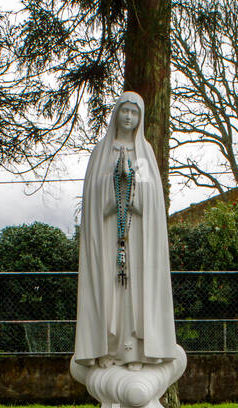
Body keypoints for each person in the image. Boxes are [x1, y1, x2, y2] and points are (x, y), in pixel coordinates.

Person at [73, 91, 177, 371]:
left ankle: (134, 353)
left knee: (134, 293)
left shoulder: (144, 154)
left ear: (140, 118)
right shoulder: (102, 152)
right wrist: (113, 181)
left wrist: (132, 181)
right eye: (125, 111)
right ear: (116, 114)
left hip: (137, 241)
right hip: (108, 238)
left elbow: (151, 201)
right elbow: (94, 199)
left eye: (134, 112)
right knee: (109, 292)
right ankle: (105, 348)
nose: (129, 117)